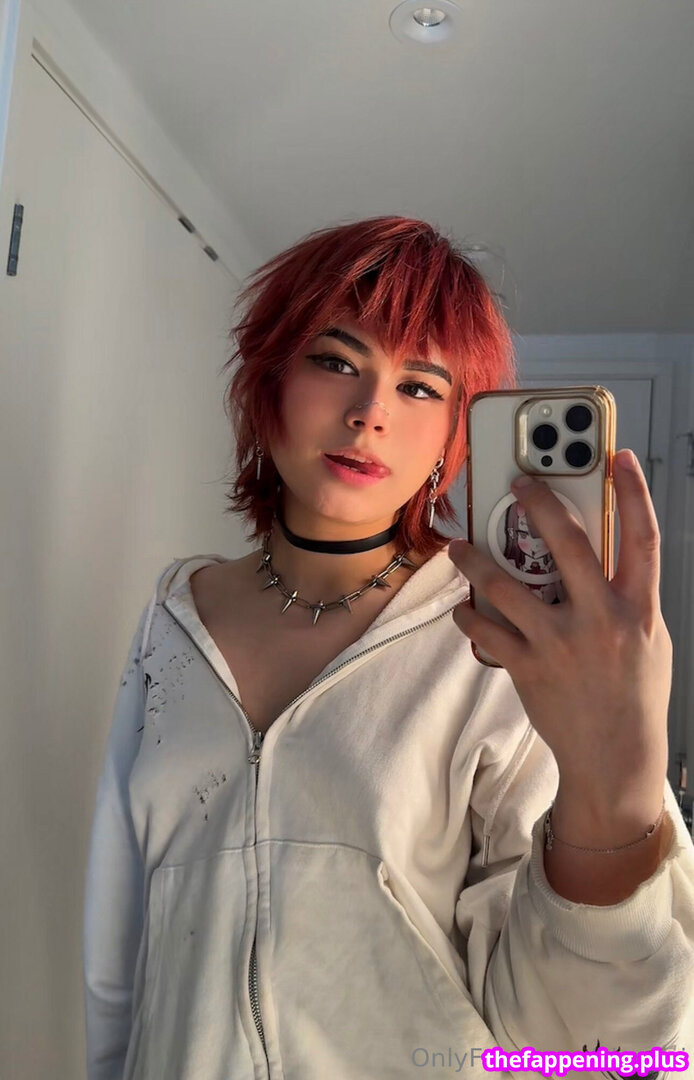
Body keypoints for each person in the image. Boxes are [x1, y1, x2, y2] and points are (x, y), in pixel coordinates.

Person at [82, 216, 694, 1080]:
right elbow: (122, 951)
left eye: (419, 387)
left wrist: (617, 794)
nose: (371, 412)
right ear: (269, 379)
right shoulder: (172, 618)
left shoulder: (499, 636)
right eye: (337, 362)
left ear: (454, 436)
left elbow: (590, 1047)